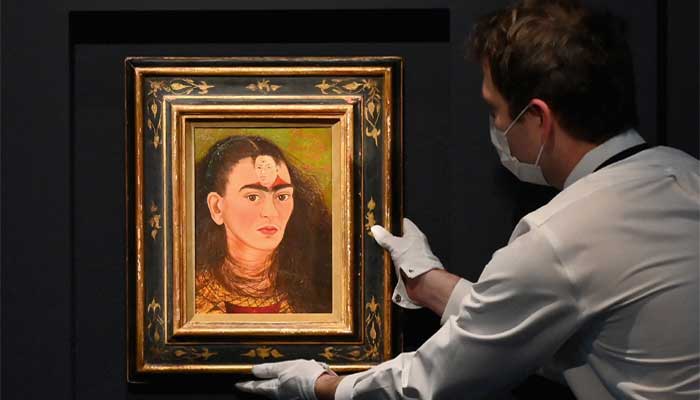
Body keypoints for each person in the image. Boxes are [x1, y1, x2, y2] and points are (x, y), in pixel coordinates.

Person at [236, 0, 700, 398]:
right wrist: (427, 282)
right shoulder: (686, 173)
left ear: (538, 118)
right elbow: (515, 323)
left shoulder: (559, 237)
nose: (496, 127)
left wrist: (325, 386)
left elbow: (436, 378)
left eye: (495, 110)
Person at [194, 135, 332, 314]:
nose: (271, 212)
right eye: (253, 197)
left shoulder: (321, 292)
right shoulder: (188, 298)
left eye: (282, 196)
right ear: (216, 207)